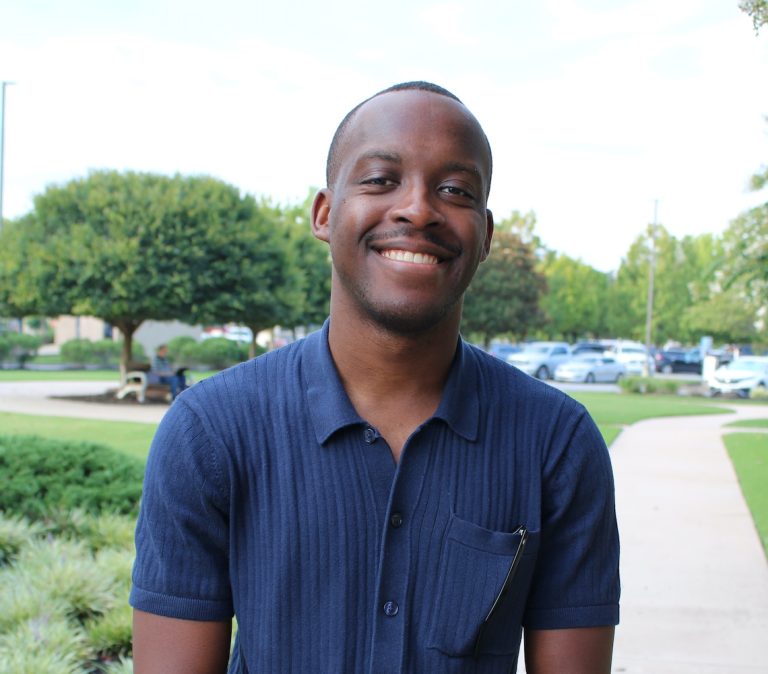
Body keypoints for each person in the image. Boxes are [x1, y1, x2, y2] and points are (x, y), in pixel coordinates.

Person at [130, 81, 620, 673]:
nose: (418, 208)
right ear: (325, 213)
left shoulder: (556, 443)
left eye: (455, 190)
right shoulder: (210, 432)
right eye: (381, 179)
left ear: (486, 235)